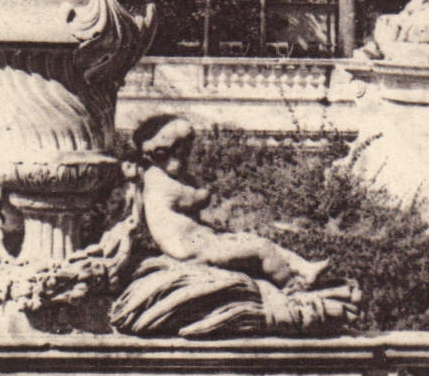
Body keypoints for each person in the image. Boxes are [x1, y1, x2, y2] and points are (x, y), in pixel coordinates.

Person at [134, 115, 328, 288]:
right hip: (194, 250)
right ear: (161, 153)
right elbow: (200, 198)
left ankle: (304, 268)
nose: (183, 161)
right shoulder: (159, 181)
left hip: (203, 242)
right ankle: (292, 287)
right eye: (179, 154)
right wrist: (200, 185)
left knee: (257, 241)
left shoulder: (163, 177)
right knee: (261, 249)